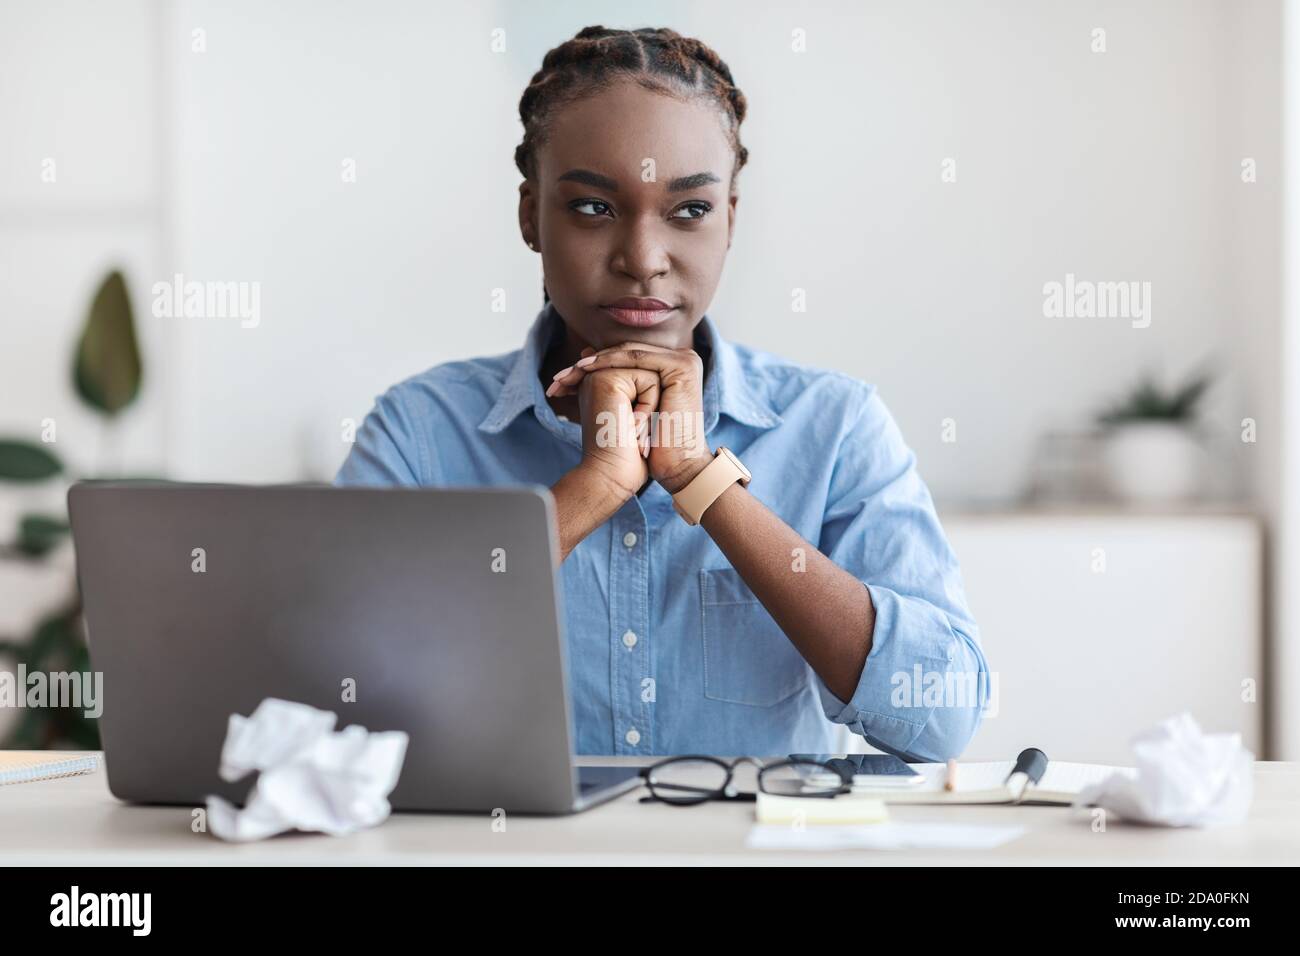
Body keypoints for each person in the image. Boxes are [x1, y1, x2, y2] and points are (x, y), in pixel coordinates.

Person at [336, 25, 989, 761]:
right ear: (530, 215)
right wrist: (596, 485)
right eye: (592, 207)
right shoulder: (422, 431)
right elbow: (333, 695)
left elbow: (941, 719)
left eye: (689, 211)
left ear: (731, 221)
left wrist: (702, 482)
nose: (643, 260)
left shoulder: (835, 426)